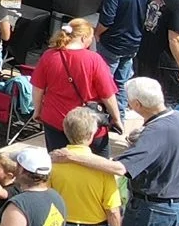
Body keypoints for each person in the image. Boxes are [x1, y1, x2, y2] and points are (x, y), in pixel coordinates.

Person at [31, 18, 121, 152]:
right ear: (84, 38)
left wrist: (37, 110)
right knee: (96, 164)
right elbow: (107, 94)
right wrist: (116, 118)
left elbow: (38, 88)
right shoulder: (94, 59)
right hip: (87, 123)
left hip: (55, 119)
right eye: (91, 38)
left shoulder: (49, 55)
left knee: (59, 162)